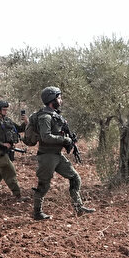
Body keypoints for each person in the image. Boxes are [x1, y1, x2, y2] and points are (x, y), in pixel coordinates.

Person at [32, 86, 94, 221]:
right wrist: (65, 139)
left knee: (75, 177)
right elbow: (45, 137)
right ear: (51, 99)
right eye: (59, 98)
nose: (61, 100)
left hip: (57, 155)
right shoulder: (45, 117)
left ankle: (78, 207)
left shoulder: (55, 115)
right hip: (47, 156)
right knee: (43, 185)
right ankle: (37, 213)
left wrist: (70, 140)